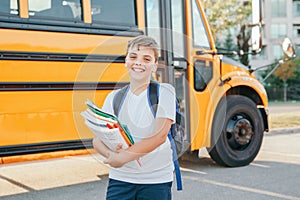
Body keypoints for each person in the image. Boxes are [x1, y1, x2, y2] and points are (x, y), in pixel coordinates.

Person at [92, 35, 176, 200]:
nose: (139, 62)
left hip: (155, 179)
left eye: (146, 59)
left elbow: (159, 136)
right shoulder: (114, 97)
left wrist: (122, 157)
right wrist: (111, 156)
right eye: (133, 57)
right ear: (126, 62)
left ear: (154, 66)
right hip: (120, 178)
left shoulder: (165, 92)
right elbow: (97, 139)